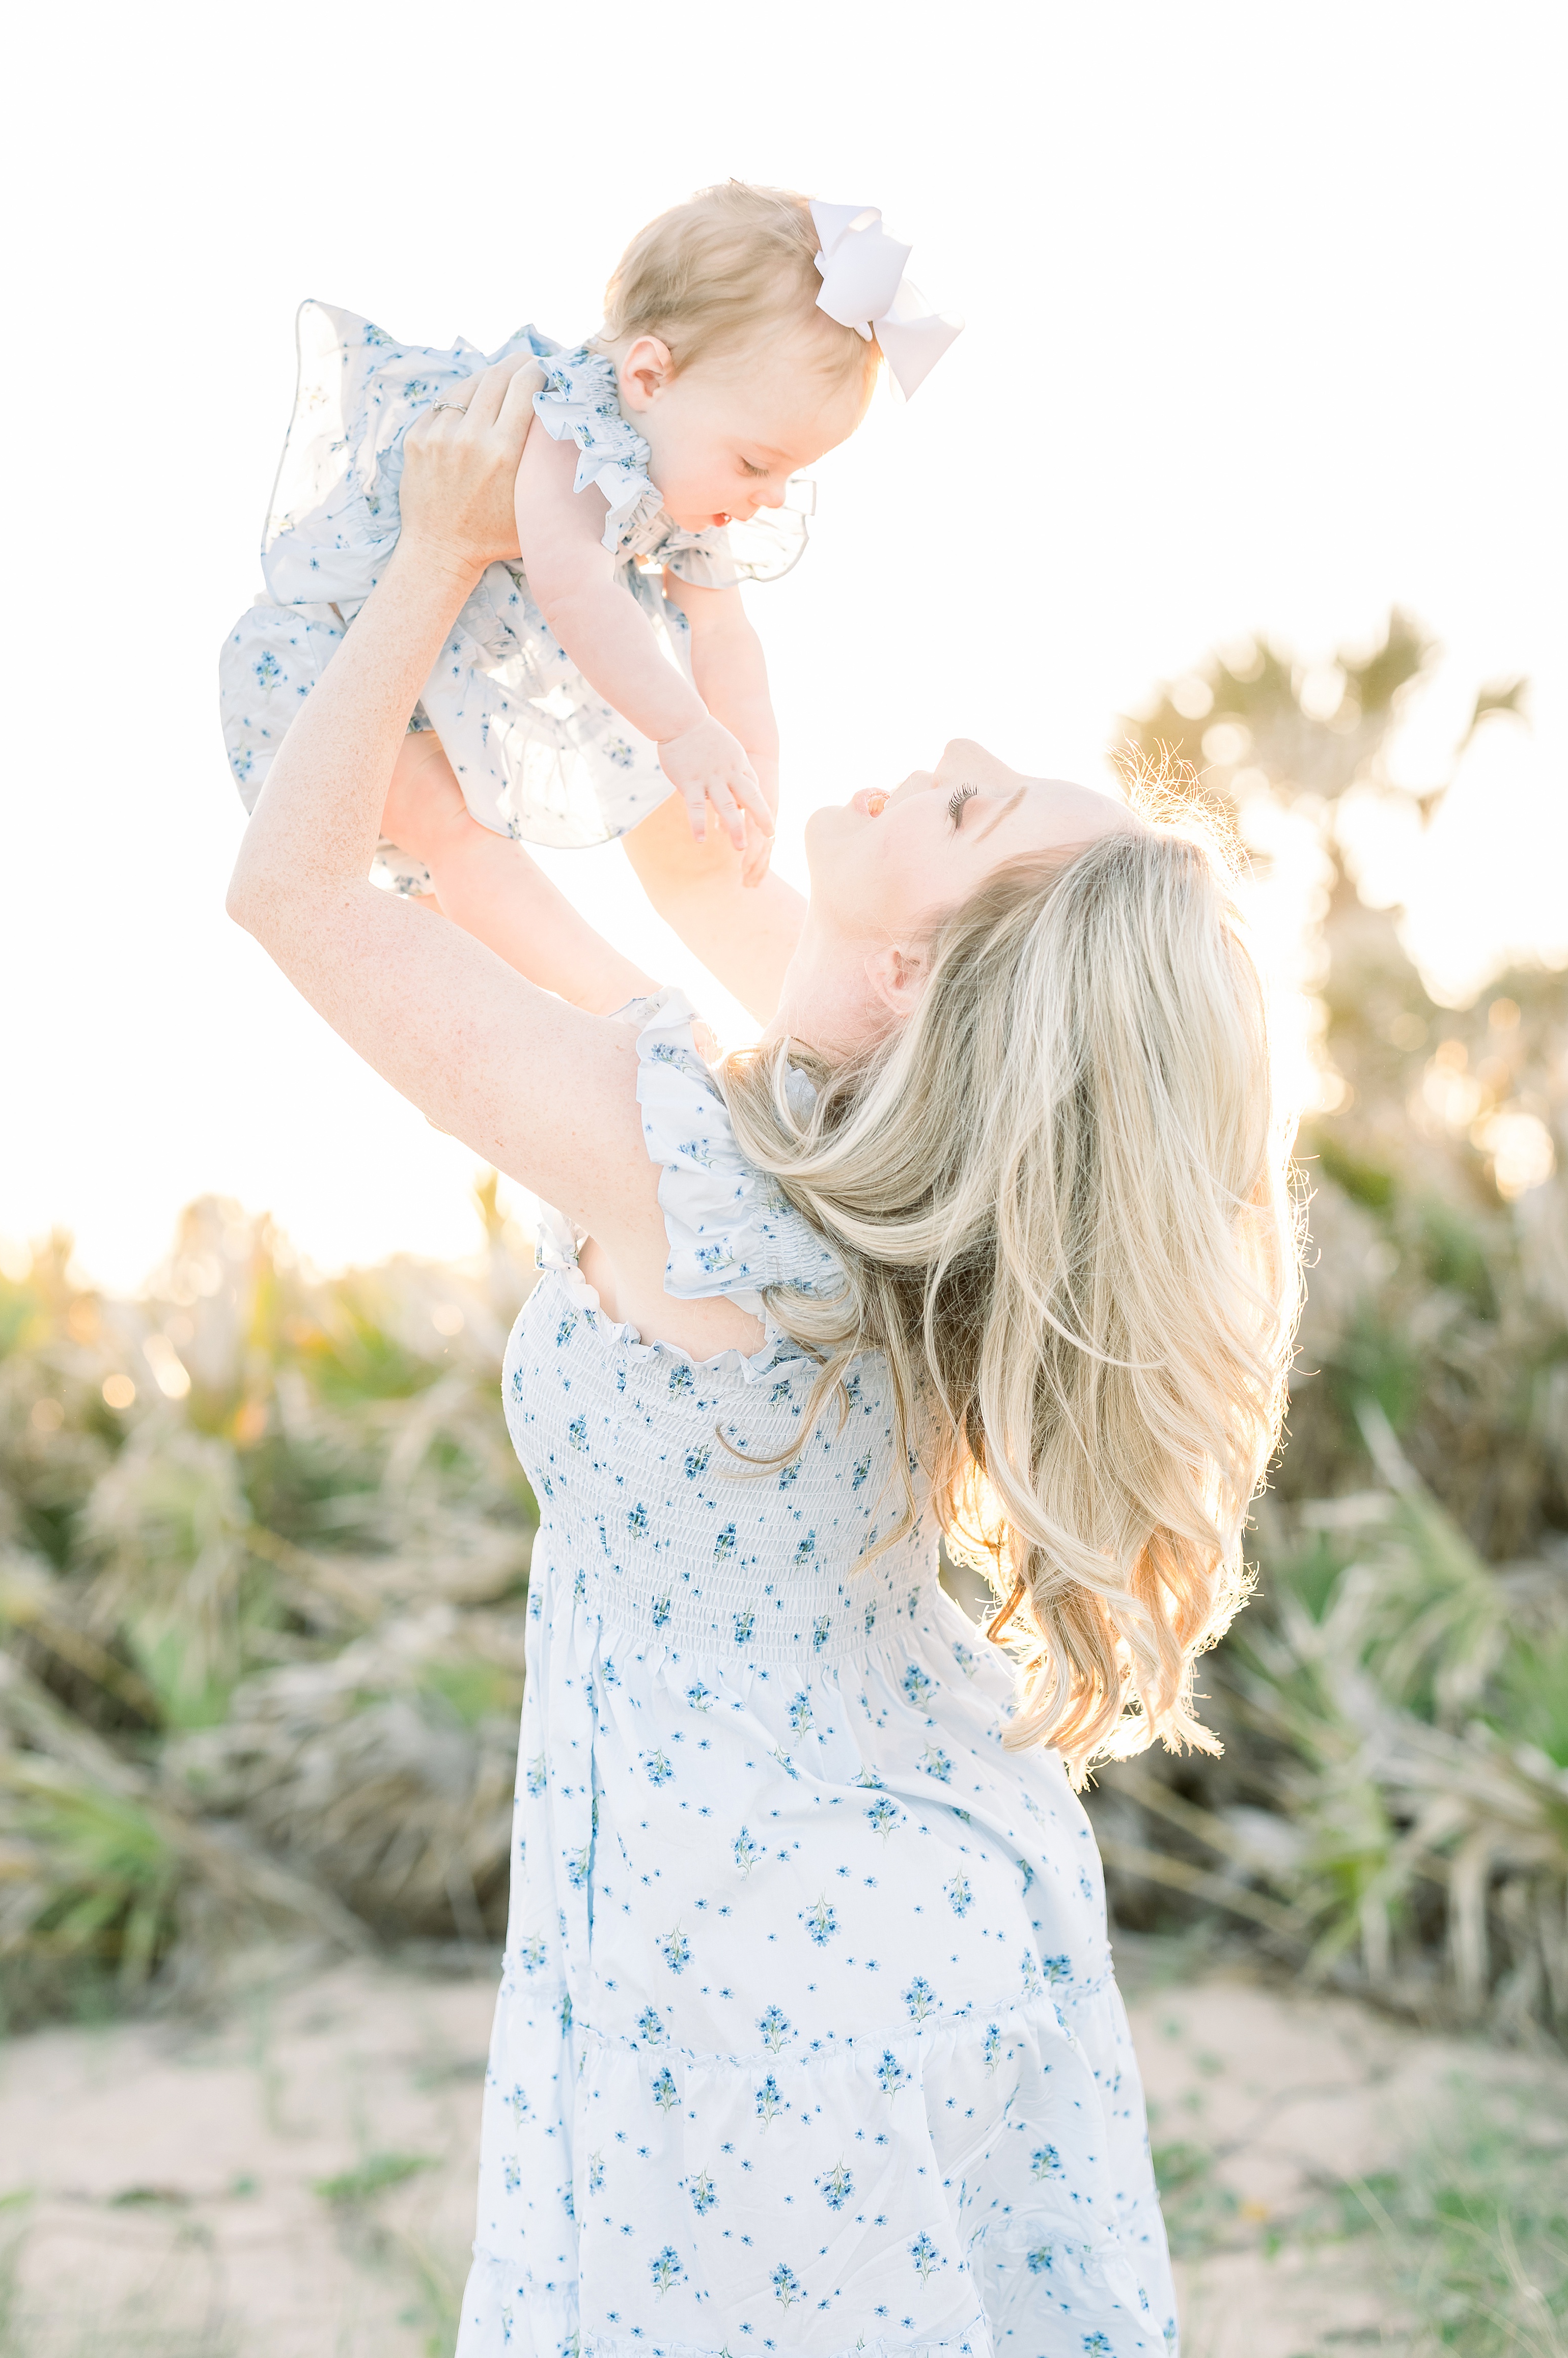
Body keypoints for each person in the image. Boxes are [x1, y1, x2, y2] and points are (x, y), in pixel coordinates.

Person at [227, 362, 1301, 2357]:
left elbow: (286, 896)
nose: (957, 743)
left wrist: (446, 555)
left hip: (745, 1952)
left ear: (914, 978)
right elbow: (551, 918)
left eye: (972, 806)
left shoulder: (697, 1166)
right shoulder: (841, 1185)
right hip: (920, 1888)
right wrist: (519, 718)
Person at [219, 184, 960, 1013]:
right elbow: (573, 586)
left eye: (793, 472)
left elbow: (724, 633)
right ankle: (639, 1020)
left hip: (467, 677)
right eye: (757, 464)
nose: (773, 496)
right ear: (648, 375)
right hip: (336, 665)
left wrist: (753, 766)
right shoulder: (571, 424)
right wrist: (686, 729)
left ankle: (837, 1030)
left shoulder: (687, 467)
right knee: (458, 834)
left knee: (690, 834)